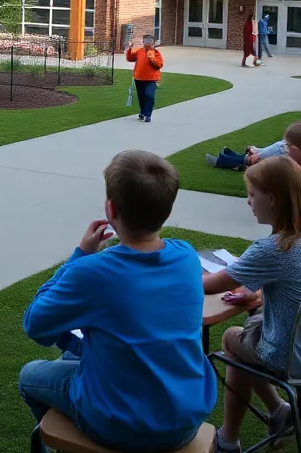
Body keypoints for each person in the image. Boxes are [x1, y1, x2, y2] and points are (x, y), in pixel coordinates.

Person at [20, 151, 215, 453]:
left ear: (110, 209)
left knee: (30, 375)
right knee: (76, 357)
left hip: (121, 425)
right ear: (167, 207)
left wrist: (80, 255)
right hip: (186, 418)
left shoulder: (93, 272)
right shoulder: (186, 256)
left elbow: (35, 324)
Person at [204, 157, 301, 453]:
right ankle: (277, 412)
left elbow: (207, 286)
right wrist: (258, 297)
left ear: (272, 197)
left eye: (252, 194)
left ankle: (229, 440)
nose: (248, 202)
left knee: (232, 340)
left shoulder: (274, 248)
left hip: (299, 357)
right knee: (247, 335)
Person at [205, 108, 301, 171]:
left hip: (284, 155)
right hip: (284, 153)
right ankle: (234, 155)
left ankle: (223, 160)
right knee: (267, 152)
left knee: (257, 158)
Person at [125, 34, 164, 123]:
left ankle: (147, 114)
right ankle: (142, 112)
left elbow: (159, 65)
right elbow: (130, 58)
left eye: (148, 42)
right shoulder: (140, 51)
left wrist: (151, 59)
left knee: (149, 95)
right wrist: (130, 48)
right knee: (141, 96)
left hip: (151, 79)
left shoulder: (156, 53)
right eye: (145, 41)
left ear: (152, 43)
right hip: (139, 78)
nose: (146, 43)